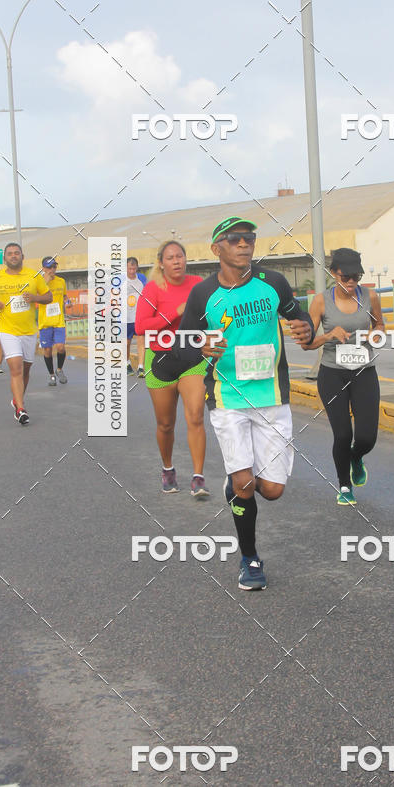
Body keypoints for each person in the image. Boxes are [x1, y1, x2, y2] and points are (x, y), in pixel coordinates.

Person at [153, 217, 314, 591]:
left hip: (272, 396)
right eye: (235, 239)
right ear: (217, 249)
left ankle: (237, 483)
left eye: (249, 238)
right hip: (226, 398)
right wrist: (200, 346)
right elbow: (180, 347)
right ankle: (250, 557)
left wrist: (304, 326)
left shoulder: (272, 282)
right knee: (244, 483)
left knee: (272, 489)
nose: (244, 244)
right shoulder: (204, 295)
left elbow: (297, 315)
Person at [305, 248, 383, 506]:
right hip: (332, 375)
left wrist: (377, 334)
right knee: (342, 435)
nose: (351, 282)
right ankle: (344, 486)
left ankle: (355, 457)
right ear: (333, 274)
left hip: (364, 372)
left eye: (356, 277)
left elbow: (379, 325)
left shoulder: (370, 296)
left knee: (366, 437)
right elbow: (306, 343)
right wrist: (328, 336)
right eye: (346, 277)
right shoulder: (320, 301)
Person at [134, 241, 209, 497]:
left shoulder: (198, 284)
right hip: (162, 361)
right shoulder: (153, 289)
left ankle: (198, 477)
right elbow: (141, 327)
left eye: (180, 256)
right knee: (166, 424)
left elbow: (212, 314)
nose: (176, 261)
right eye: (170, 257)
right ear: (161, 263)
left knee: (196, 415)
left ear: (186, 259)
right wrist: (175, 313)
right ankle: (168, 469)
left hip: (192, 358)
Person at [0, 243, 52, 424]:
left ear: (22, 256)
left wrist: (35, 298)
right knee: (15, 368)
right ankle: (21, 408)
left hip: (29, 331)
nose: (13, 256)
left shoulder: (33, 276)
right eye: (10, 254)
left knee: (25, 369)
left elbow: (48, 297)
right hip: (7, 329)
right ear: (5, 259)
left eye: (17, 253)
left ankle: (17, 400)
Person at [38, 256, 70, 386]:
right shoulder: (38, 282)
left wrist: (67, 302)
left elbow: (65, 296)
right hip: (45, 322)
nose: (52, 269)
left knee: (61, 347)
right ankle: (51, 374)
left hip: (58, 321)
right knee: (47, 350)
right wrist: (45, 281)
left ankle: (59, 369)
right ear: (44, 269)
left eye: (54, 267)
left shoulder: (61, 281)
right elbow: (36, 296)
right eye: (49, 267)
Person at [126, 256, 147, 377]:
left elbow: (148, 294)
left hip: (139, 316)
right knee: (126, 342)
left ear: (137, 268)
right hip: (125, 317)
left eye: (134, 269)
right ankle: (127, 363)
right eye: (129, 269)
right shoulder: (120, 280)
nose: (132, 271)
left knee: (141, 340)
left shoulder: (142, 279)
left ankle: (140, 367)